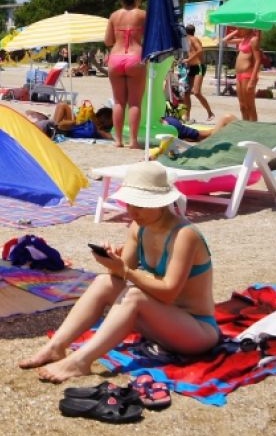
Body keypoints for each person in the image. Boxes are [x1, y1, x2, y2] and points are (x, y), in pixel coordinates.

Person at [19, 161, 218, 383]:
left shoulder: (184, 235)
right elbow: (118, 276)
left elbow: (168, 292)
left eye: (139, 206)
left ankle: (80, 361)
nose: (131, 212)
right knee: (104, 281)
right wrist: (111, 262)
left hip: (196, 331)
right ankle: (56, 346)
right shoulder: (139, 227)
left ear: (161, 204)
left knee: (134, 295)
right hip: (162, 323)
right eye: (129, 204)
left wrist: (124, 270)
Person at [105, 0, 147, 148]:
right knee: (135, 103)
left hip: (116, 58)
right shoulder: (143, 15)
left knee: (118, 102)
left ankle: (118, 140)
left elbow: (108, 41)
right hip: (135, 57)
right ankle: (133, 141)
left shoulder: (114, 16)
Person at [223, 27, 262, 121]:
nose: (239, 30)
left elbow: (258, 60)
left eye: (241, 28)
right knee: (242, 106)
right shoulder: (243, 39)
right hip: (239, 75)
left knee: (250, 106)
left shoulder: (253, 39)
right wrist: (237, 30)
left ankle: (253, 129)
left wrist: (253, 80)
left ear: (248, 28)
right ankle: (245, 127)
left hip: (248, 75)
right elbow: (225, 40)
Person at [182, 25, 214, 120]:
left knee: (196, 92)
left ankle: (210, 113)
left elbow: (200, 50)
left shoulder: (193, 39)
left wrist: (189, 59)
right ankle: (187, 116)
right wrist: (187, 62)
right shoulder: (187, 40)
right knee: (186, 93)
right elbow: (191, 52)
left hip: (199, 66)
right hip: (192, 67)